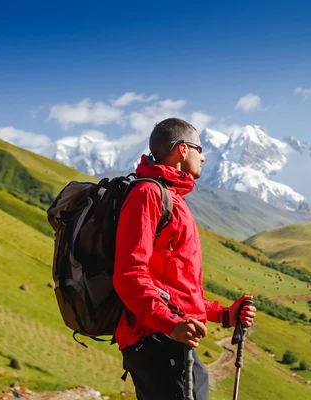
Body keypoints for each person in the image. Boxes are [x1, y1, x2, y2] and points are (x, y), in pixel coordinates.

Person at [113, 117, 256, 400]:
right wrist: (170, 324)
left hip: (165, 337)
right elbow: (129, 274)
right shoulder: (148, 195)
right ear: (182, 150)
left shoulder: (172, 197)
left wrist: (224, 314)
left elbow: (176, 288)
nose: (202, 157)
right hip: (154, 338)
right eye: (199, 149)